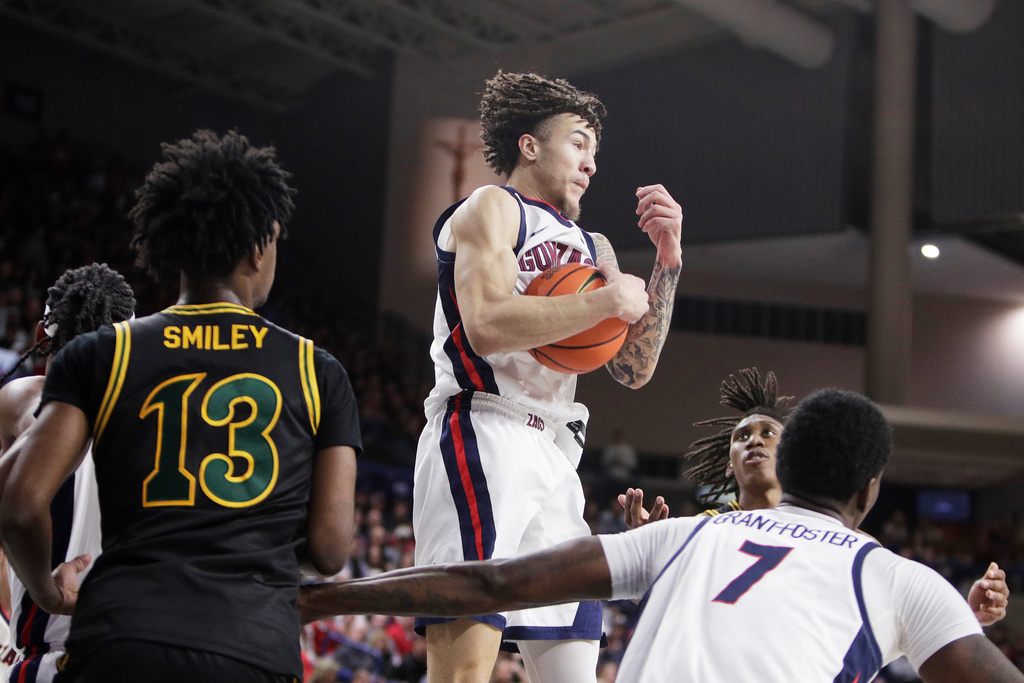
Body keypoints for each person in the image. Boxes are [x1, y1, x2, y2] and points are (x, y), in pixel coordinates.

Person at [299, 389, 1024, 683]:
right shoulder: (896, 576)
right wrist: (951, 613)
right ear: (870, 491)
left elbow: (490, 581)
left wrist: (323, 598)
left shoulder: (685, 537)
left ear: (788, 459)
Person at [0, 129, 362, 683]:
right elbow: (331, 550)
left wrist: (47, 594)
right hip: (251, 644)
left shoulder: (103, 353)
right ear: (259, 246)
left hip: (119, 639)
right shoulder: (320, 371)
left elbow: (21, 508)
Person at [412, 71, 683, 682]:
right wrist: (606, 303)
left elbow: (633, 370)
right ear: (530, 146)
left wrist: (668, 263)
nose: (590, 162)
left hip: (556, 454)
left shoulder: (595, 246)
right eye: (578, 143)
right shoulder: (493, 206)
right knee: (464, 669)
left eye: (595, 151)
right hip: (484, 431)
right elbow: (484, 324)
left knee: (573, 671)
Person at [621, 368, 1009, 627]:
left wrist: (968, 617)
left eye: (768, 433)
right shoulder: (703, 530)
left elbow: (892, 620)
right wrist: (651, 559)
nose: (754, 440)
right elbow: (661, 612)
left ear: (791, 453)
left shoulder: (846, 540)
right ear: (729, 465)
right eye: (741, 437)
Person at [0, 263, 136, 683]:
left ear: (43, 335)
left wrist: (36, 600)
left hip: (48, 656)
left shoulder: (23, 401)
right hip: (138, 652)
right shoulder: (158, 424)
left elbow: (13, 518)